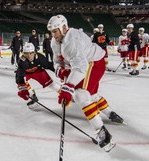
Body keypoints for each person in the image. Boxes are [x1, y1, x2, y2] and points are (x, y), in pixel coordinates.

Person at [47, 15, 124, 152]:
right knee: (91, 94)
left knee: (80, 95)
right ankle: (110, 112)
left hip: (94, 62)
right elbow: (57, 61)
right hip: (87, 63)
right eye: (51, 31)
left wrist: (68, 86)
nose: (53, 34)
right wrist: (61, 71)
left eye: (55, 31)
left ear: (64, 27)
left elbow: (81, 67)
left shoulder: (73, 39)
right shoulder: (55, 41)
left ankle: (101, 131)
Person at [15, 43, 60, 109]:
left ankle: (63, 91)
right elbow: (20, 75)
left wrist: (58, 72)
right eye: (26, 54)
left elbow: (49, 65)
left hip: (38, 71)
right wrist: (22, 87)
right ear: (23, 54)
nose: (29, 56)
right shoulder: (22, 62)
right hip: (27, 73)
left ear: (34, 52)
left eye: (31, 53)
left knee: (51, 84)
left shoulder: (40, 58)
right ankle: (33, 97)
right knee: (23, 87)